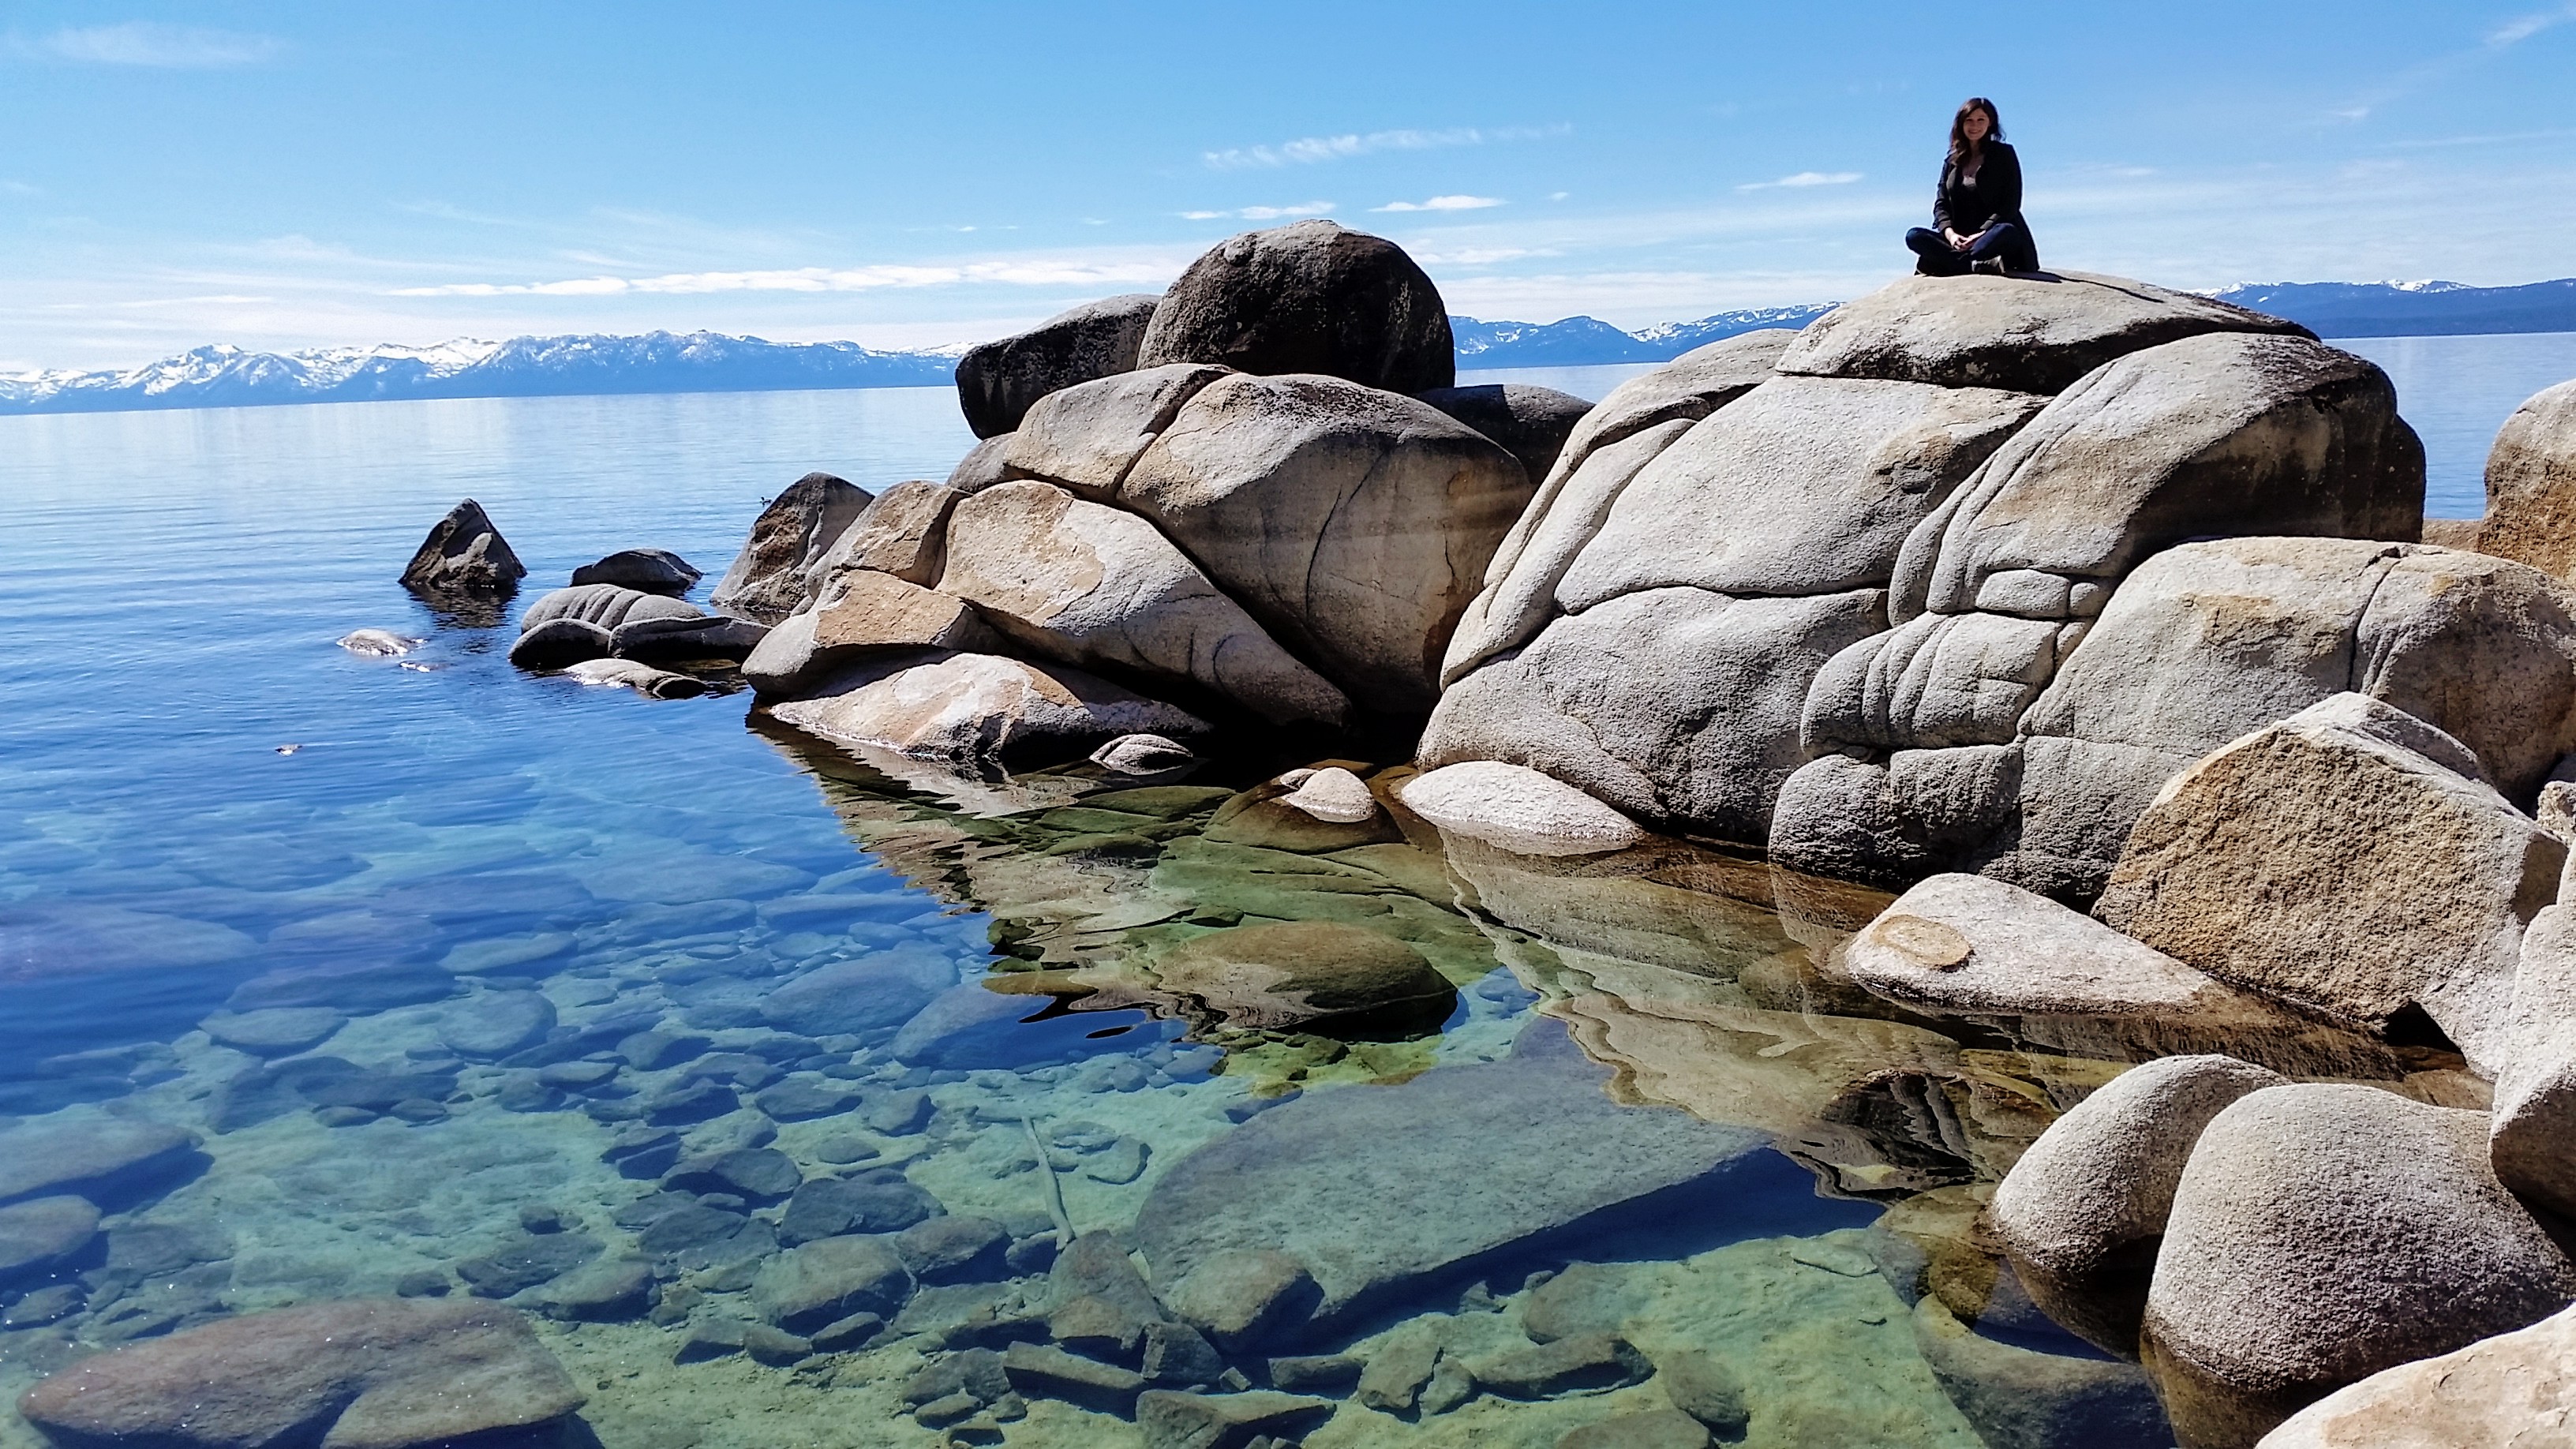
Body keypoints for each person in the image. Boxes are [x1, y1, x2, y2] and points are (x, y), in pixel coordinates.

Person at [1904, 97, 2038, 277]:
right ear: (1961, 124)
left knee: (2007, 231)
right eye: (1969, 120)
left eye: (1980, 120)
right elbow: (1941, 203)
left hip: (1992, 236)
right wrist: (1950, 234)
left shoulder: (2004, 155)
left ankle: (1946, 264)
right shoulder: (1952, 161)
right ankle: (1974, 265)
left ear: (1990, 123)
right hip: (1959, 238)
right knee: (1914, 236)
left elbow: (2011, 204)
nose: (1974, 126)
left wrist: (1982, 233)